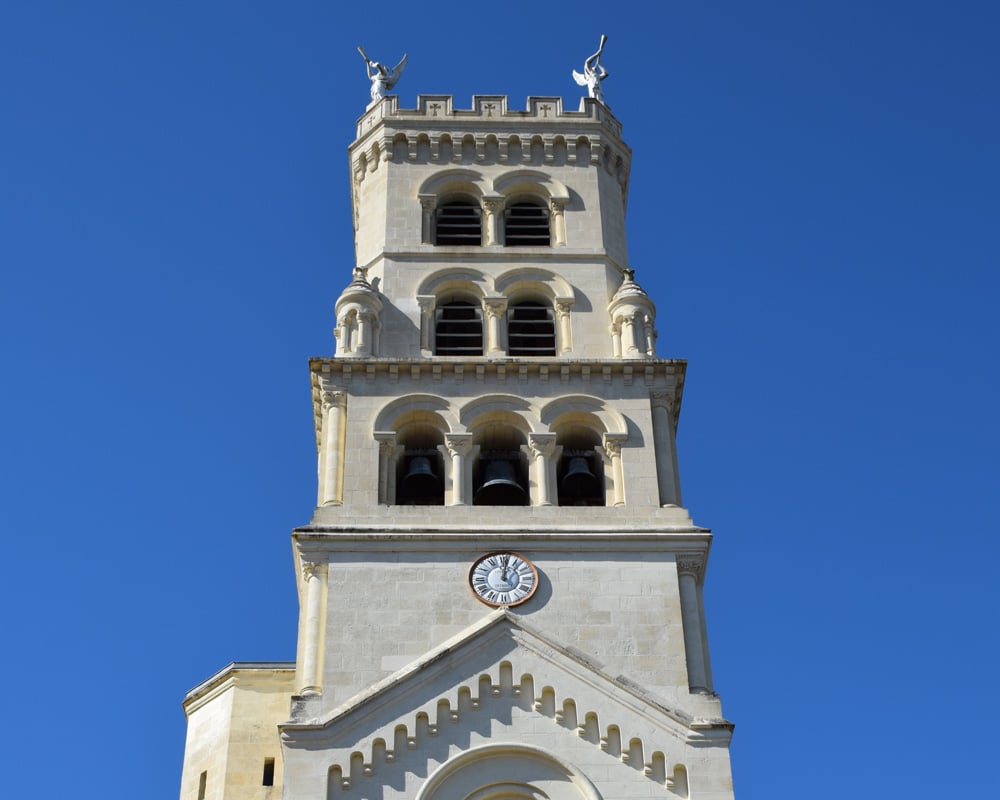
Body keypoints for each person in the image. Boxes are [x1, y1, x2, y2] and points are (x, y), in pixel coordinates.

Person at [572, 35, 609, 104]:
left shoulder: (597, 76)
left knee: (599, 99)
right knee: (594, 97)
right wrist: (597, 53)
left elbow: (606, 73)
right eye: (594, 68)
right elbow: (587, 62)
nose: (595, 69)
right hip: (593, 88)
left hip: (598, 89)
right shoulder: (589, 73)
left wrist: (599, 65)